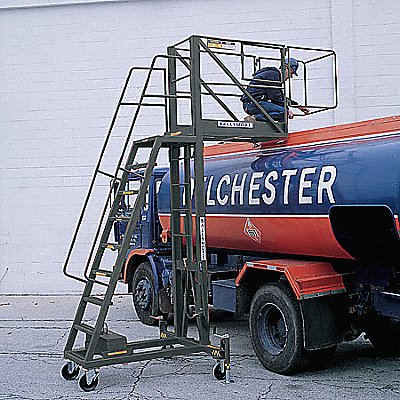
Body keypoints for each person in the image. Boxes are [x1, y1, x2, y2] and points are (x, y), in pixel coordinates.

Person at [241, 58, 309, 122]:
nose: (291, 76)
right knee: (284, 112)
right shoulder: (273, 75)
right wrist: (287, 110)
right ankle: (255, 118)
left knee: (283, 115)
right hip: (252, 104)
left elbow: (281, 97)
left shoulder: (275, 77)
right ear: (285, 68)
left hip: (256, 103)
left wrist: (298, 106)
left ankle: (256, 118)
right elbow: (274, 97)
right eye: (291, 73)